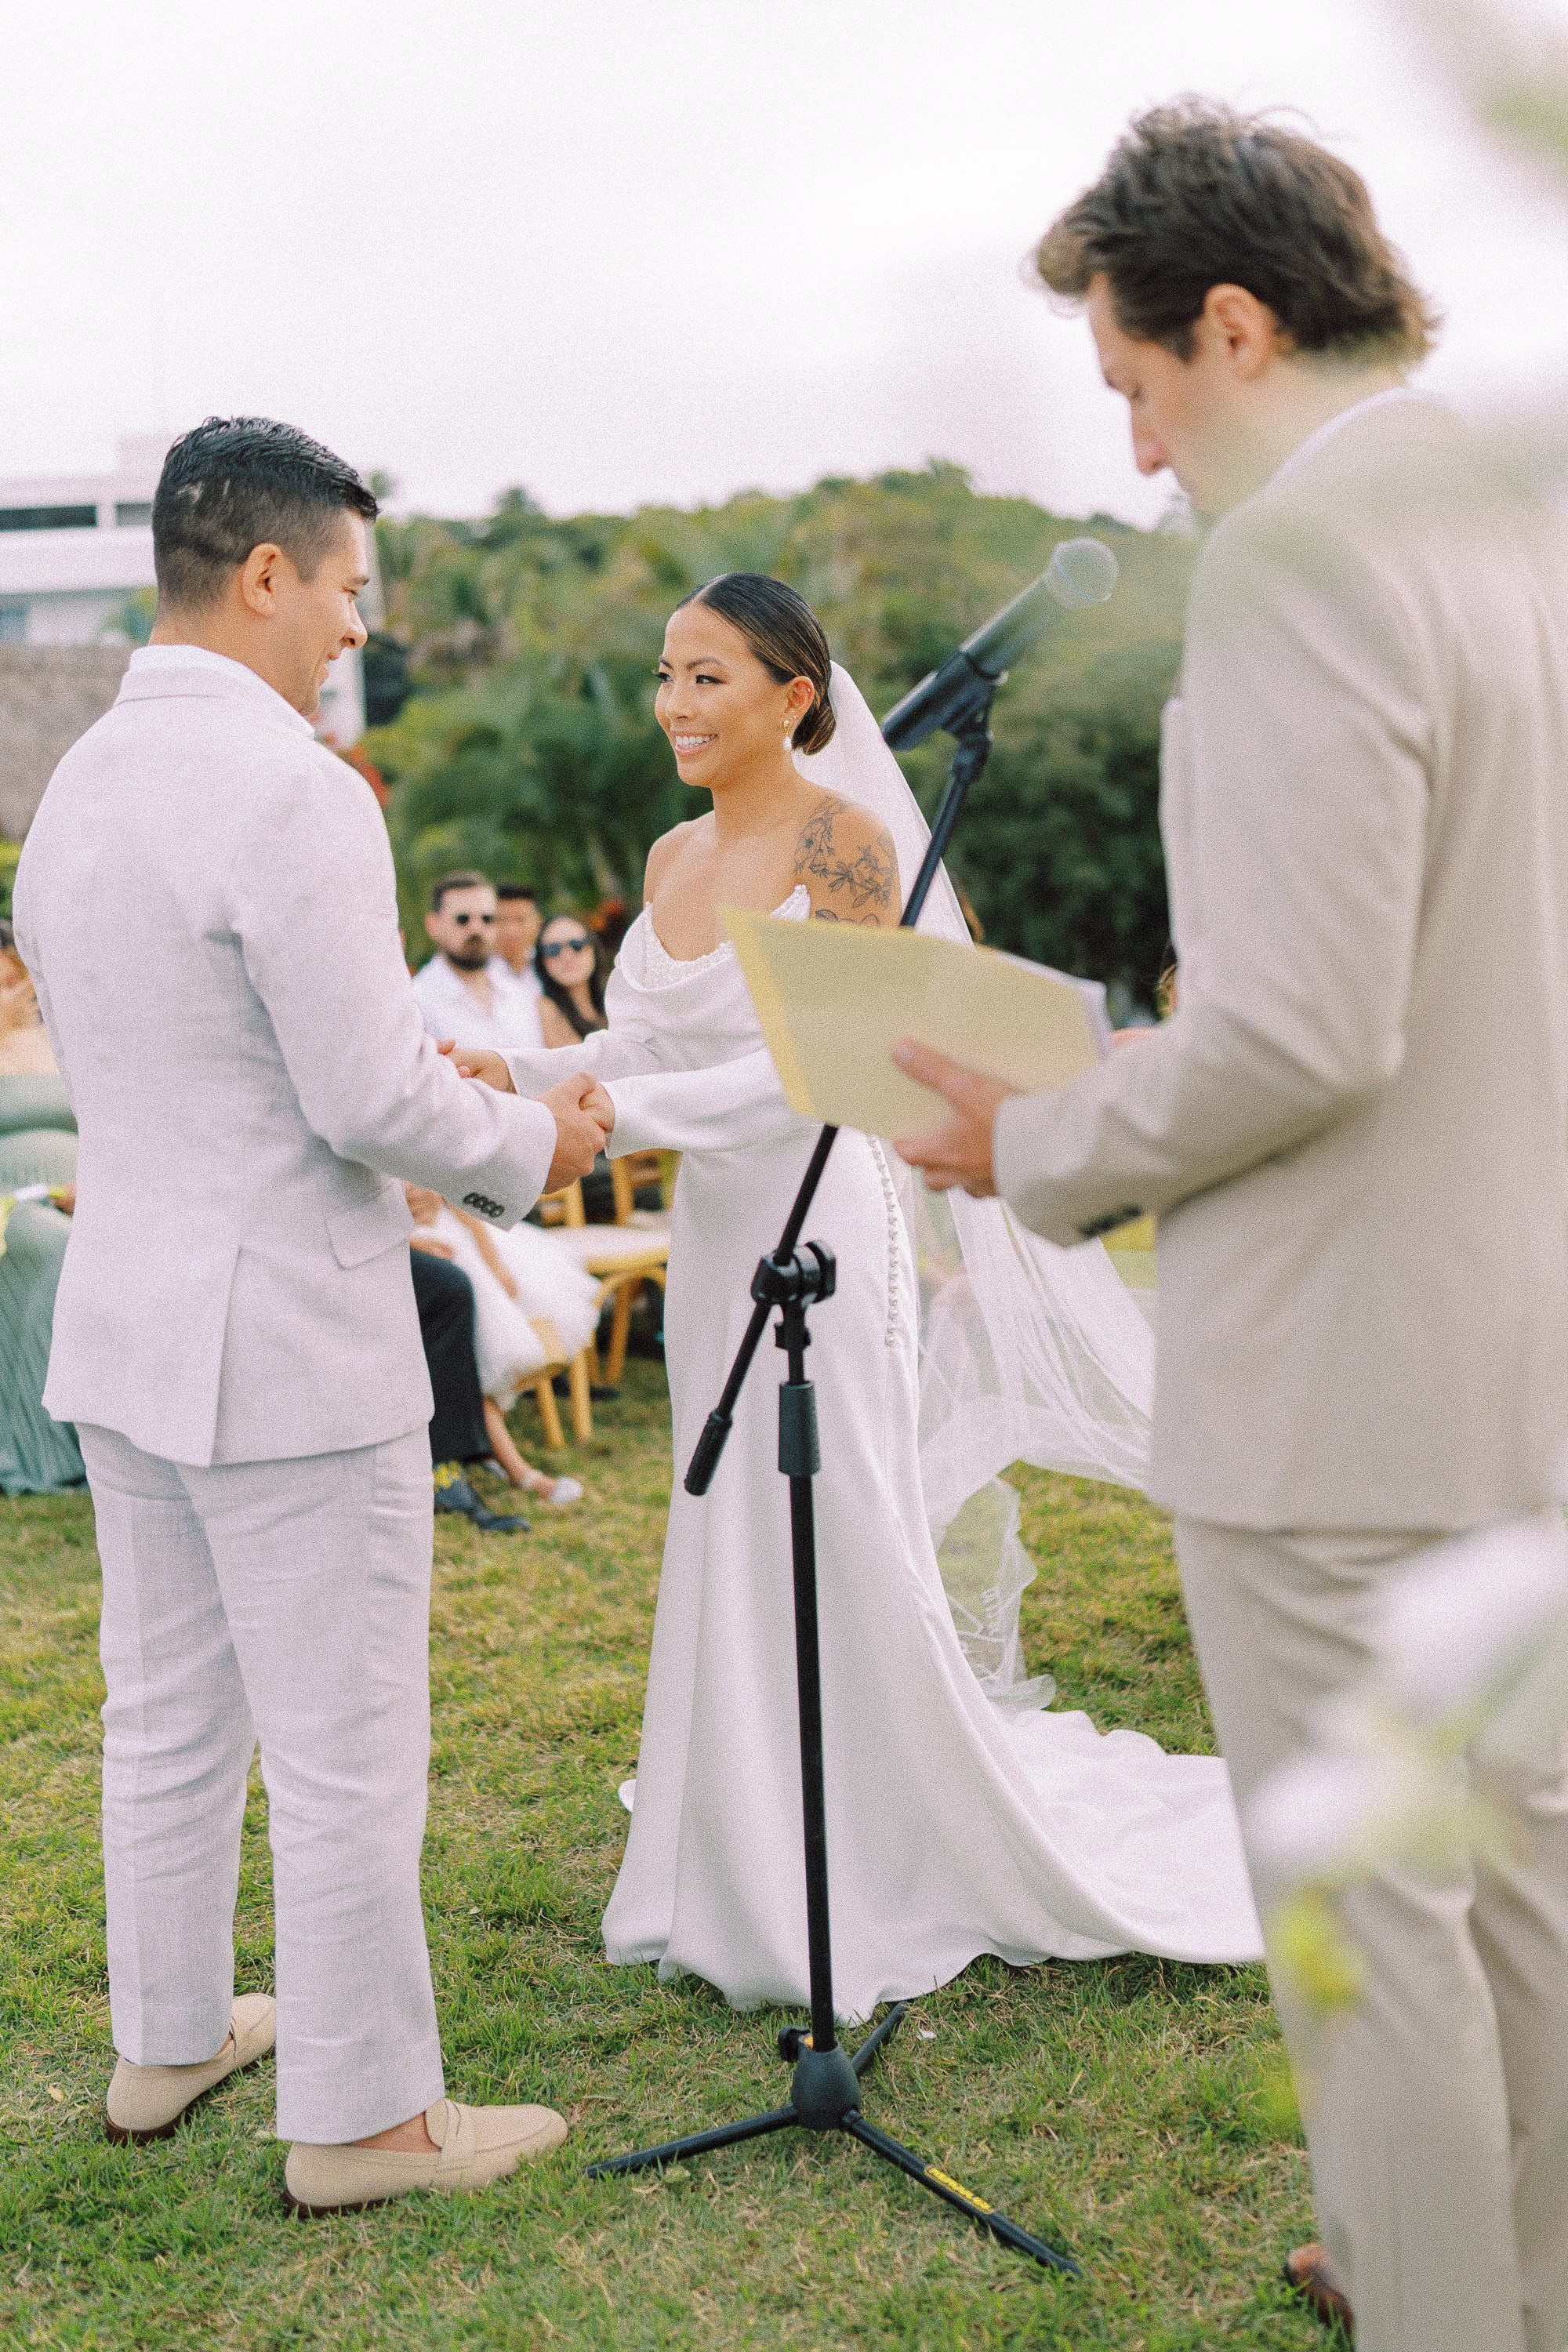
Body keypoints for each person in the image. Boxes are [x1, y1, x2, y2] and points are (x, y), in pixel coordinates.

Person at [895, 102, 1568, 2352]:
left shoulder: (1302, 556)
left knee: (1379, 1938)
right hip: (1530, 1351)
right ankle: (1495, 2276)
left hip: (1347, 1393)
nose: (1141, 446)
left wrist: (1041, 1140)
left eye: (1136, 383)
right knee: (1537, 1906)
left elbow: (1296, 1031)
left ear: (1240, 322)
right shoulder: (1515, 525)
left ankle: (1431, 2309)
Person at [457, 570, 1261, 2031]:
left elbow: (808, 1067)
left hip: (821, 1210)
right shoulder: (667, 856)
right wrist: (509, 1083)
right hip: (719, 1234)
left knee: (826, 1506)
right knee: (726, 1509)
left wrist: (608, 1126)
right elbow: (630, 1042)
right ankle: (743, 1827)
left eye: (708, 676)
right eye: (664, 675)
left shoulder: (847, 841)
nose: (675, 706)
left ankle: (870, 1829)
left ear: (795, 695)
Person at [13, 416, 611, 2217]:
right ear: (266, 571)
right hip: (284, 1331)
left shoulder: (78, 790)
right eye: (349, 587)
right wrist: (534, 1132)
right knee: (346, 1737)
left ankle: (169, 2034)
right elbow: (359, 1098)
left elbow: (217, 1060)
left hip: (124, 1319)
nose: (360, 625)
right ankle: (361, 2120)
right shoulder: (295, 789)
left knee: (167, 1708)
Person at [405, 1182, 594, 1507]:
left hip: (452, 1238)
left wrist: (494, 1266)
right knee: (476, 1354)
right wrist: (408, 1242)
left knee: (505, 1326)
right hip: (406, 1245)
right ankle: (517, 1469)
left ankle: (485, 1443)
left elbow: (460, 1195)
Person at [411, 871, 544, 1051]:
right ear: (433, 925)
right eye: (463, 919)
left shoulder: (521, 989)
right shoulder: (417, 1002)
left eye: (487, 919)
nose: (476, 929)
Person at [535, 912, 608, 1046]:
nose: (567, 956)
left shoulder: (616, 1002)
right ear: (542, 961)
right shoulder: (543, 1010)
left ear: (593, 949)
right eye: (553, 949)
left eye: (576, 945)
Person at [494, 882, 544, 992]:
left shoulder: (549, 967)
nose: (511, 931)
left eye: (520, 920)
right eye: (500, 920)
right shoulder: (472, 972)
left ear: (539, 924)